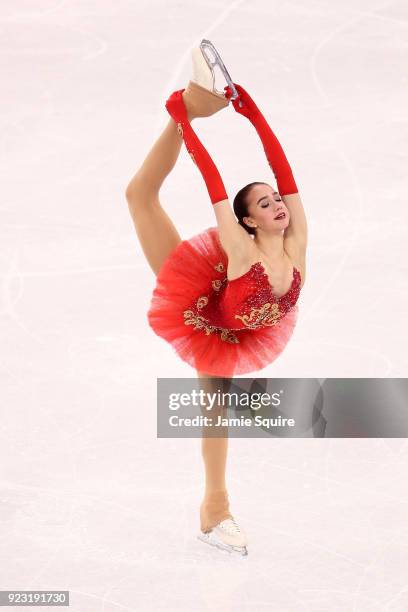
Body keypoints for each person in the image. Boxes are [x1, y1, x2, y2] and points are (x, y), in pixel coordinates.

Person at [125, 42, 308, 555]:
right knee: (140, 196)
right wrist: (185, 122)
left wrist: (255, 115)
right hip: (204, 305)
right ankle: (216, 510)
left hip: (248, 325)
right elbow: (213, 181)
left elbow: (285, 173)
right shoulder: (238, 248)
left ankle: (193, 100)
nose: (279, 205)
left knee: (139, 195)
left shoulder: (296, 245)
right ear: (248, 219)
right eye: (266, 202)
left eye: (278, 200)